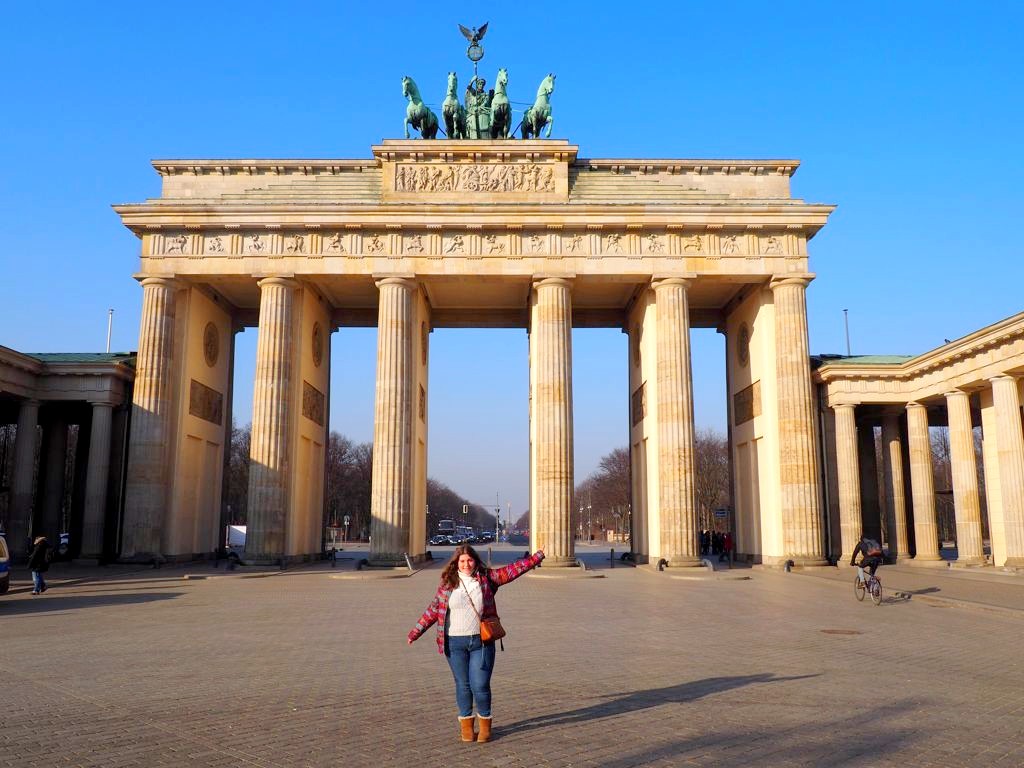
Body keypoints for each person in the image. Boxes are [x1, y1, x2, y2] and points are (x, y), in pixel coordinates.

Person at [408, 544, 544, 744]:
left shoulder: (487, 578)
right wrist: (416, 632)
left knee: (480, 685)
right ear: (456, 563)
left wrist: (536, 558)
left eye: (469, 560)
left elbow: (512, 571)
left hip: (481, 642)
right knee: (463, 685)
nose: (466, 564)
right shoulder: (448, 584)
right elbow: (434, 609)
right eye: (462, 561)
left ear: (475, 561)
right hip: (454, 643)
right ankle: (466, 727)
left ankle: (485, 724)